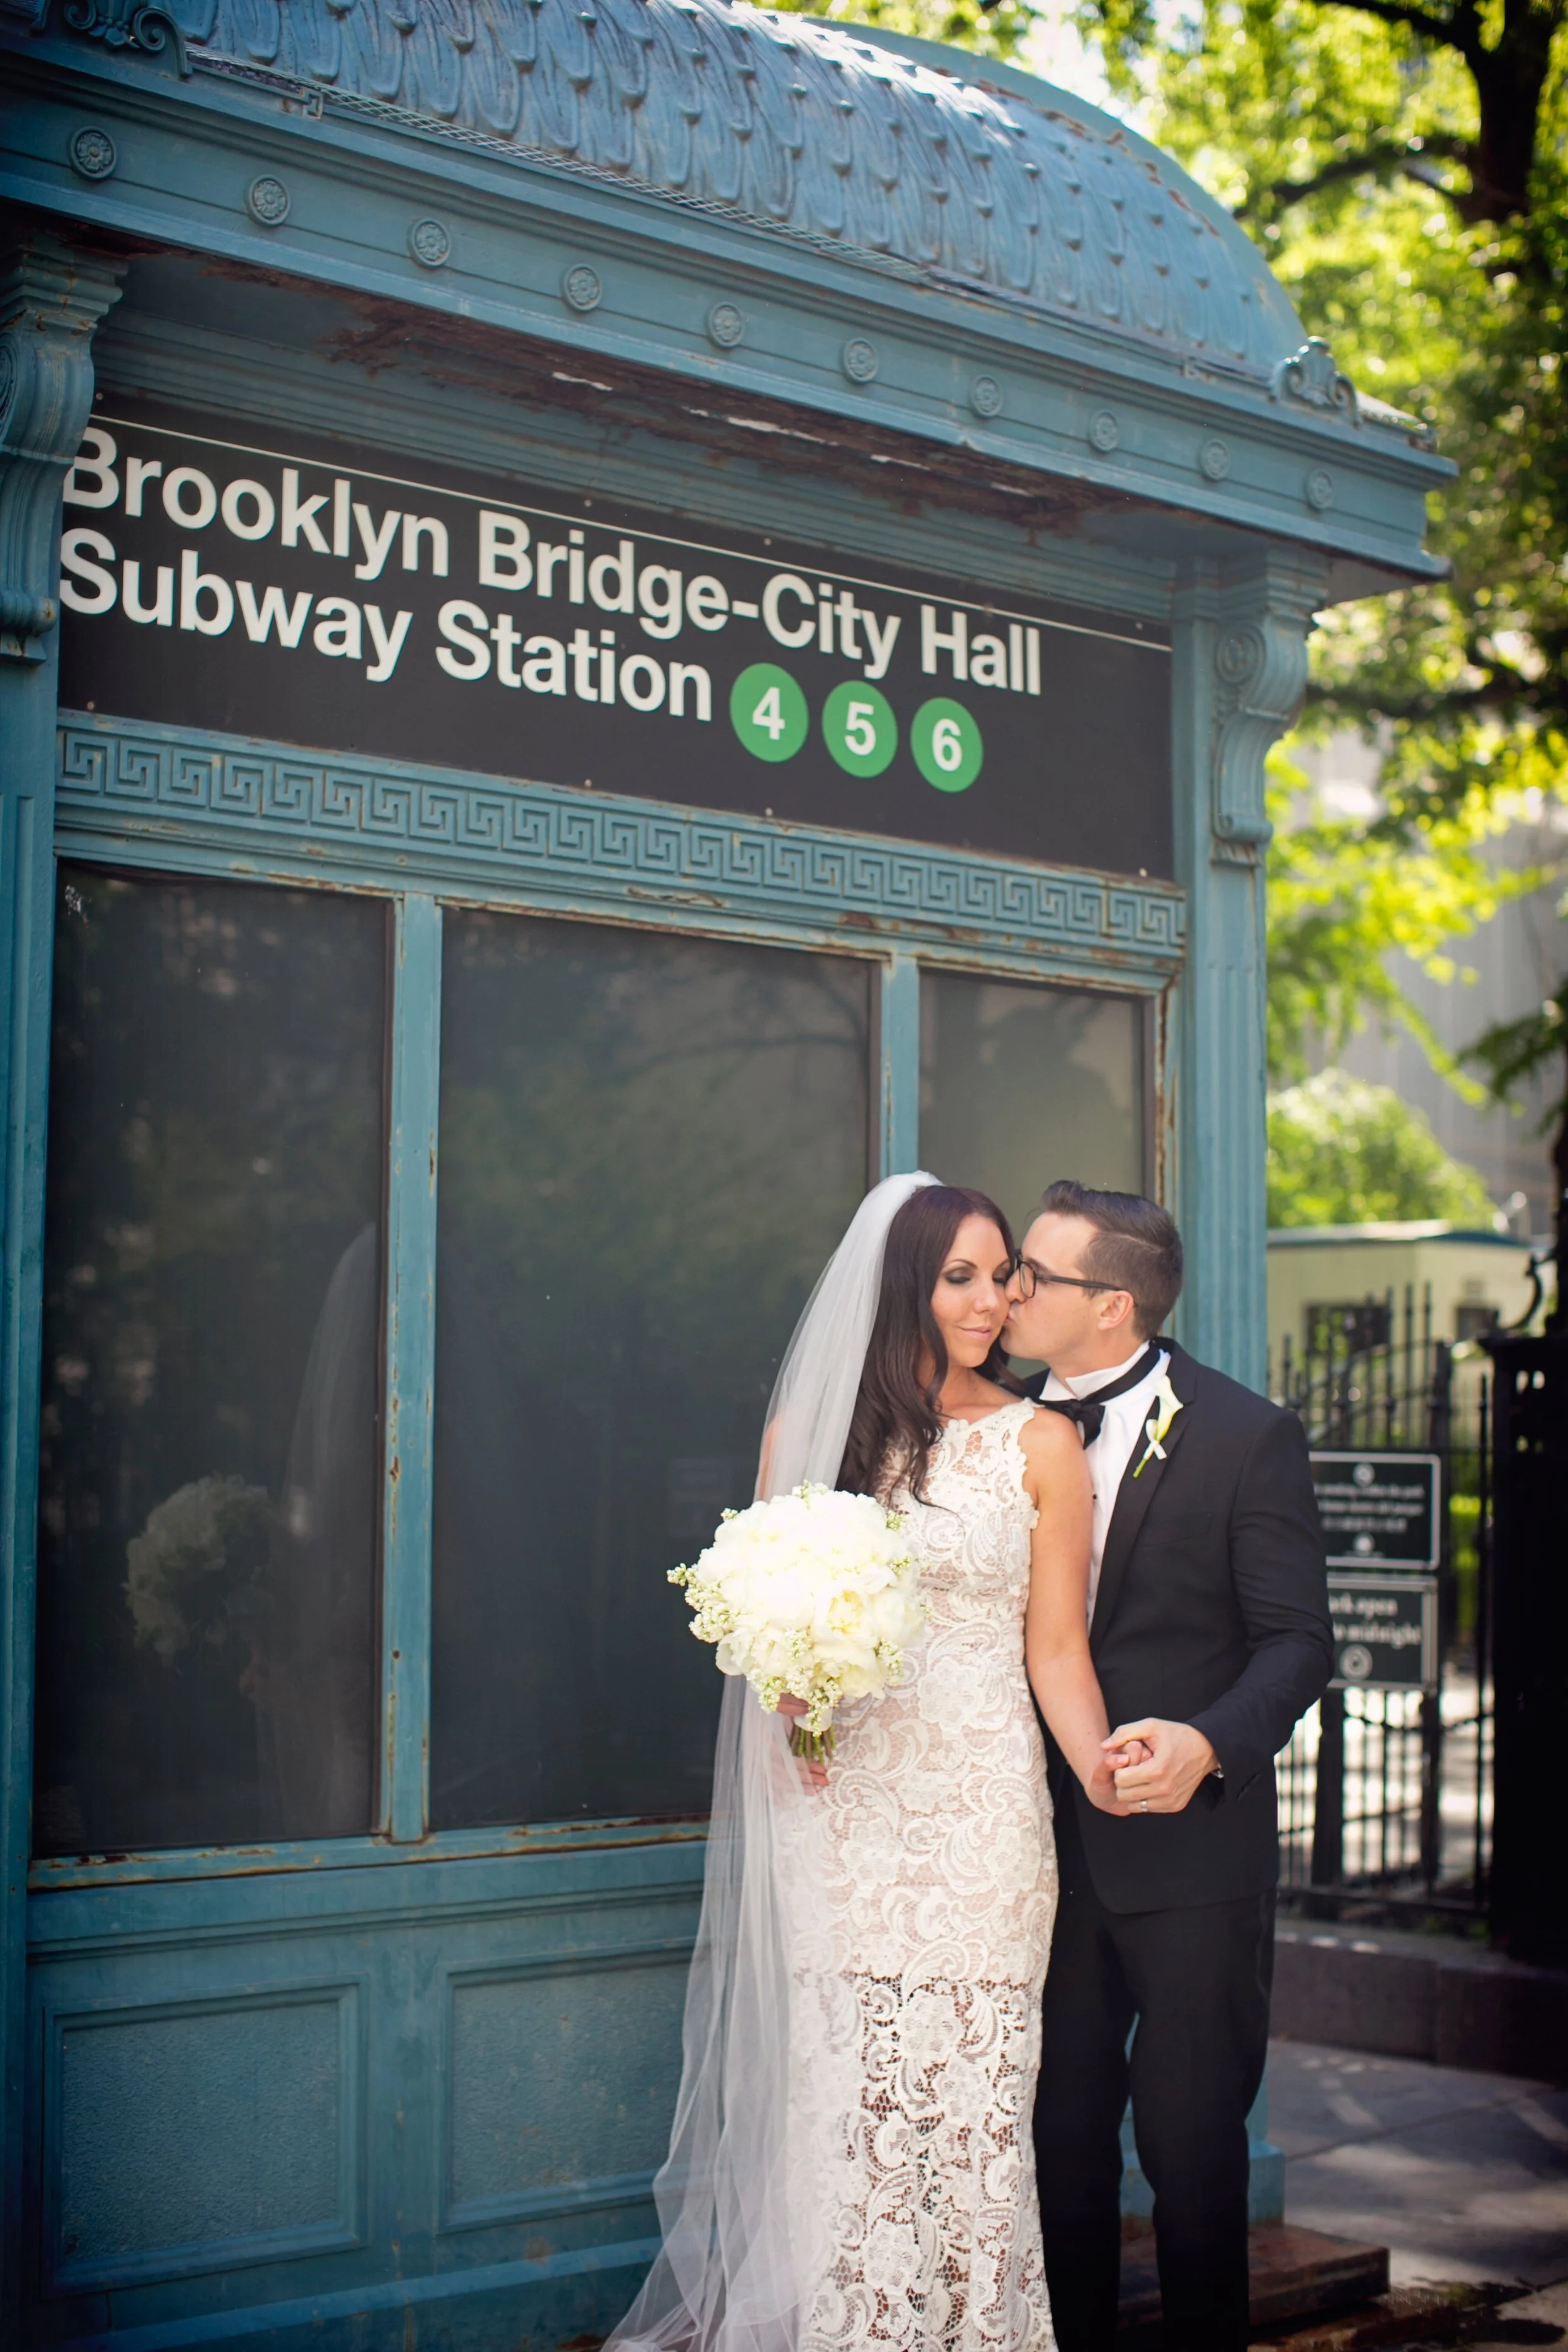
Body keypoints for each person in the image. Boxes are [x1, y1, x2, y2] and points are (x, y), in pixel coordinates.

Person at [608, 1174, 1131, 2352]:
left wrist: (1104, 1767)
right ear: (906, 1286)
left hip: (987, 1812)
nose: (992, 1299)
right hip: (845, 1810)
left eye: (1002, 1276)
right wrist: (793, 1682)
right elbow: (762, 1618)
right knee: (852, 2100)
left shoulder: (1046, 1443)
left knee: (978, 2107)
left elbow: (1054, 1648)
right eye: (961, 1276)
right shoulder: (812, 1436)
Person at [1005, 1181, 1332, 2352]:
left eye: (1034, 1274)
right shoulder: (989, 1422)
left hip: (1193, 1856)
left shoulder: (1247, 1434)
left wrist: (1209, 1743)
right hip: (1029, 1853)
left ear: (1115, 1307)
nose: (1008, 1289)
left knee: (1194, 2159)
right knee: (1055, 2151)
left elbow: (1300, 1640)